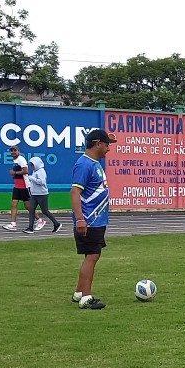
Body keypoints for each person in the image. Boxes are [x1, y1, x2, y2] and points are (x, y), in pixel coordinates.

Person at [70, 129, 117, 310]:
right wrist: (80, 220)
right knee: (92, 256)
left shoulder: (94, 163)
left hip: (96, 220)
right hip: (89, 220)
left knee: (92, 255)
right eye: (106, 145)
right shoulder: (84, 164)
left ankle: (79, 292)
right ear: (97, 144)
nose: (108, 149)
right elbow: (75, 192)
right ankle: (86, 298)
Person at [3, 144, 44, 231]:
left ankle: (39, 220)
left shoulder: (21, 159)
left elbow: (26, 171)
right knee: (14, 204)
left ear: (18, 151)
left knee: (27, 205)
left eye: (15, 150)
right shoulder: (16, 160)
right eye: (12, 151)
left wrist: (14, 173)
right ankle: (13, 224)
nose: (13, 152)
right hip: (17, 186)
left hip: (24, 186)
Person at [22, 156, 63, 234]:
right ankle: (30, 227)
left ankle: (56, 224)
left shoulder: (41, 171)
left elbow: (42, 182)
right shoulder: (35, 171)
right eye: (31, 165)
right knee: (31, 210)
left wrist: (31, 178)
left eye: (33, 165)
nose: (32, 167)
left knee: (45, 211)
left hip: (41, 194)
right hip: (34, 194)